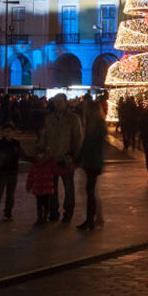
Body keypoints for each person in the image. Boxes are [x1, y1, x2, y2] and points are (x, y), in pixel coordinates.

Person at [37, 93, 83, 223]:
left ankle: (68, 212)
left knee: (68, 188)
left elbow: (78, 139)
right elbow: (44, 136)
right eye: (56, 102)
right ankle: (53, 212)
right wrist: (40, 149)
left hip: (66, 158)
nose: (57, 104)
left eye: (60, 101)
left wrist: (74, 156)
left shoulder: (73, 119)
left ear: (65, 103)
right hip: (51, 157)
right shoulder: (49, 118)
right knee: (52, 187)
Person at [77, 98, 106, 230]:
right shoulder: (96, 125)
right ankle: (96, 218)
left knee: (90, 190)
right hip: (92, 161)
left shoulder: (96, 126)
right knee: (90, 190)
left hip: (92, 161)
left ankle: (92, 219)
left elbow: (90, 145)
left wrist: (80, 156)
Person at [0, 123, 21, 222]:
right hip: (3, 172)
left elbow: (22, 154)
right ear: (2, 133)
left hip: (12, 171)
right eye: (5, 131)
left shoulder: (17, 144)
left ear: (13, 132)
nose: (7, 133)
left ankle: (7, 213)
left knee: (10, 194)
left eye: (9, 131)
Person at [26, 150, 56, 226]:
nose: (38, 156)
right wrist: (29, 185)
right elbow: (31, 176)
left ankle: (45, 217)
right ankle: (40, 218)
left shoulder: (49, 164)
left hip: (46, 188)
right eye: (37, 154)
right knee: (39, 204)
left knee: (46, 204)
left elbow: (57, 170)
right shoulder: (34, 165)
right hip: (38, 188)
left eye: (40, 154)